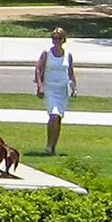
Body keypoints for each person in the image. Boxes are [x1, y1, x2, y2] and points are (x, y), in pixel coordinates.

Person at [33, 27, 78, 155]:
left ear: (63, 39)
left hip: (62, 89)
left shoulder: (67, 55)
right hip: (50, 88)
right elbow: (38, 69)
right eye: (53, 38)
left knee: (58, 118)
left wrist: (74, 87)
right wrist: (40, 86)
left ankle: (53, 146)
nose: (55, 41)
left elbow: (70, 72)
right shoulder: (47, 53)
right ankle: (48, 144)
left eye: (58, 38)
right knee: (53, 115)